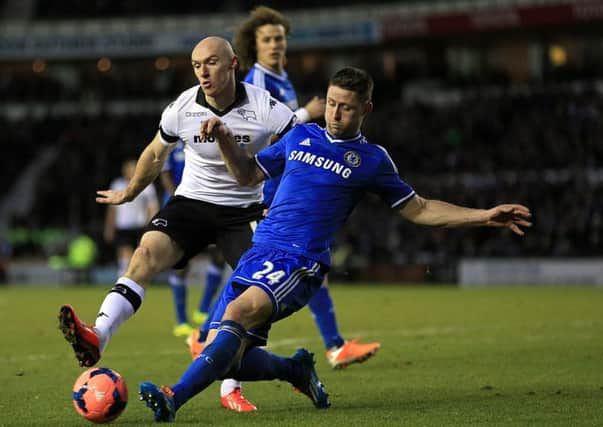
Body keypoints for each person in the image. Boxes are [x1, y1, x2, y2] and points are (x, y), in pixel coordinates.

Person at [137, 66, 532, 422]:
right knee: (230, 360)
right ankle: (296, 370)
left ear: (366, 109)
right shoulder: (300, 137)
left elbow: (421, 208)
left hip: (300, 261)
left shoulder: (372, 160)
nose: (334, 113)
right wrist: (224, 136)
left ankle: (172, 398)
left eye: (345, 107)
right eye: (330, 103)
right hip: (259, 251)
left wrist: (483, 216)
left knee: (237, 313)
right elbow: (244, 175)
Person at [57, 36, 297, 400]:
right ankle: (97, 336)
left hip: (245, 208)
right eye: (197, 64)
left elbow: (301, 153)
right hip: (192, 203)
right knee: (145, 254)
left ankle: (233, 382)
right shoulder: (182, 107)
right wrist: (131, 192)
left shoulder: (267, 109)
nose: (203, 71)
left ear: (233, 65)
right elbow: (155, 154)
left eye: (212, 62)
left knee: (253, 294)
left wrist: (282, 201)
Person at [187, 9, 379, 412]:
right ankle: (228, 379)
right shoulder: (254, 82)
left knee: (264, 289)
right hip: (262, 199)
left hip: (278, 202)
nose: (276, 45)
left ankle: (329, 346)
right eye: (268, 39)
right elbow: (261, 139)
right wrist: (308, 114)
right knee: (252, 301)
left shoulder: (280, 80)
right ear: (253, 47)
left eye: (280, 38)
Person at [159, 141, 227, 337]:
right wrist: (178, 198)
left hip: (209, 201)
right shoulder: (172, 138)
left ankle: (204, 309)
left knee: (219, 254)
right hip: (180, 205)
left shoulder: (203, 137)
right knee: (181, 262)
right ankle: (181, 320)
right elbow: (164, 173)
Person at [103, 159, 159, 277]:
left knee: (141, 254)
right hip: (123, 226)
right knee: (125, 255)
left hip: (141, 226)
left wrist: (152, 227)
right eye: (128, 170)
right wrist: (109, 228)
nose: (131, 172)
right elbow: (112, 210)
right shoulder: (117, 184)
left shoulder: (146, 185)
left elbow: (152, 208)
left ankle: (138, 279)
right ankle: (122, 280)